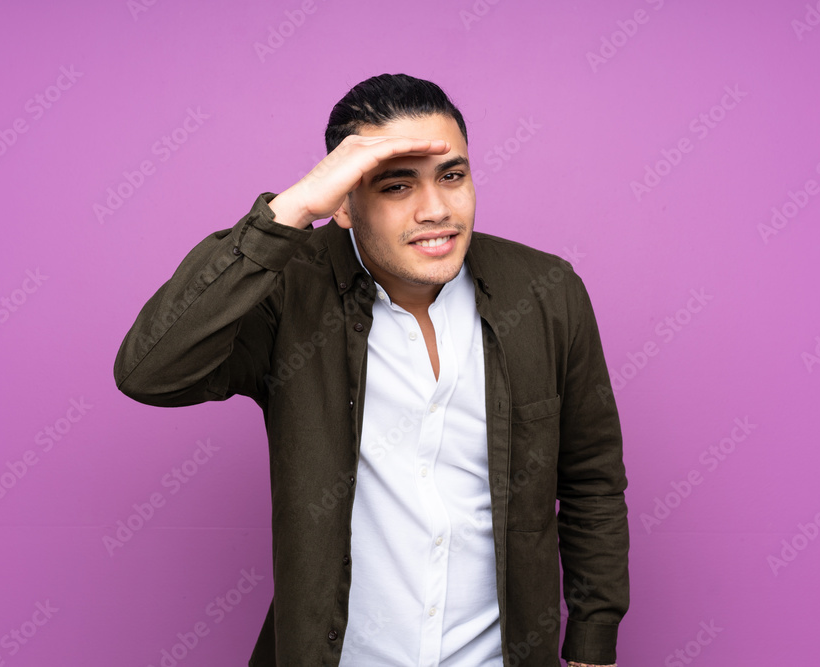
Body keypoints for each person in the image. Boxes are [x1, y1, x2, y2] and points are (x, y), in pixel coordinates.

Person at [114, 73, 629, 666]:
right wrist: (292, 209)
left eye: (452, 176)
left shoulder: (545, 292)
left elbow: (591, 481)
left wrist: (592, 643)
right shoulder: (288, 292)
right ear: (343, 202)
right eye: (396, 185)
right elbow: (150, 371)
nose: (436, 209)